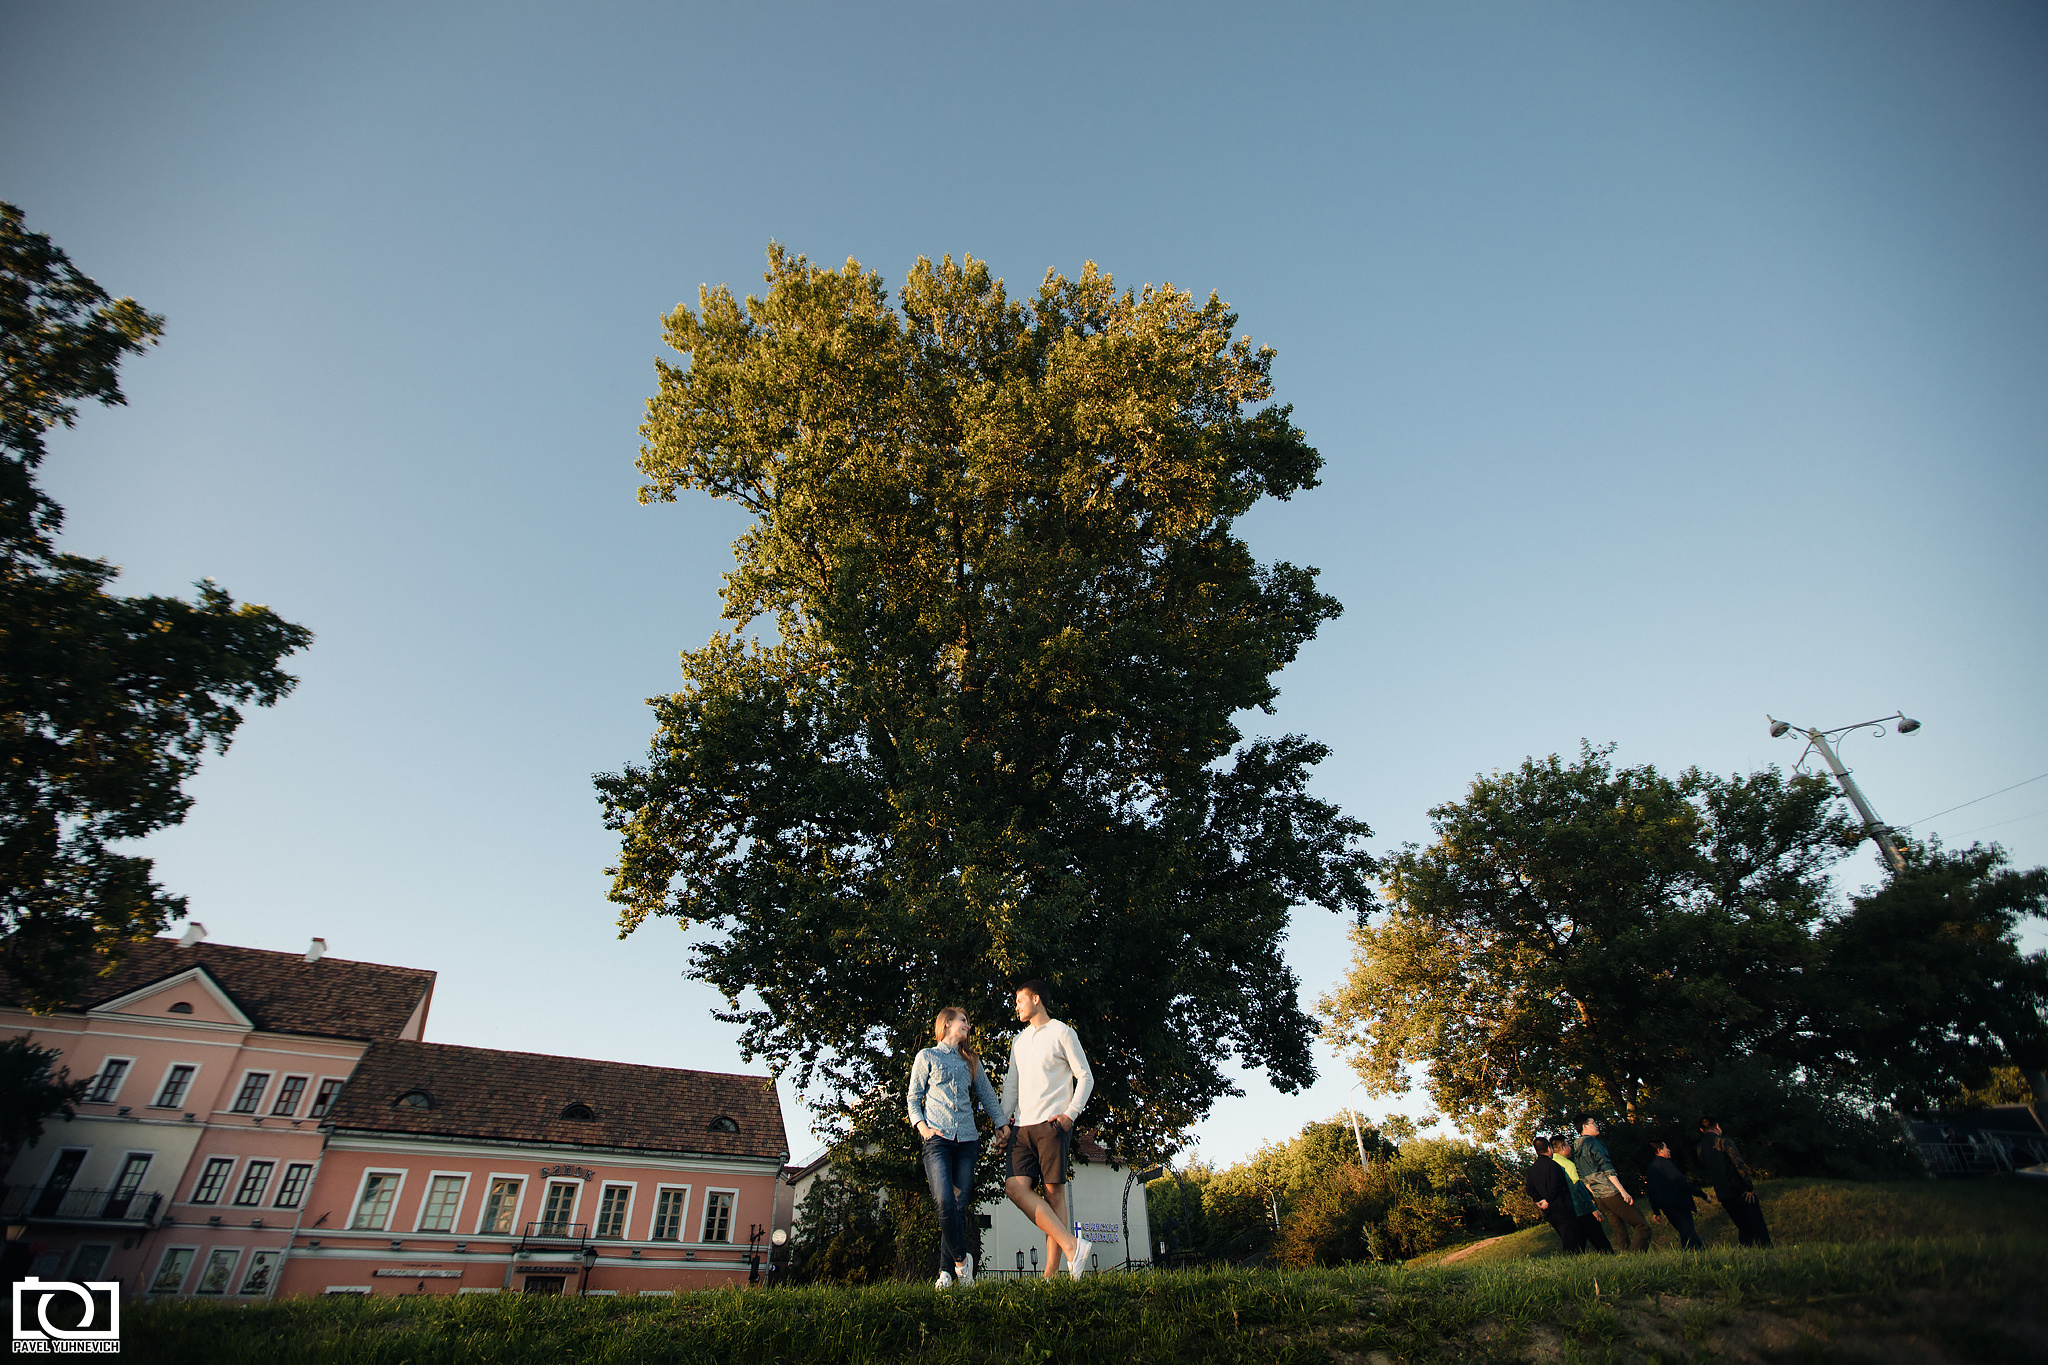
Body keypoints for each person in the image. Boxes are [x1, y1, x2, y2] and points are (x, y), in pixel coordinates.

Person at [908, 1005, 1012, 1288]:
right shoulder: (926, 1056)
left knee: (958, 1207)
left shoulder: (971, 1061)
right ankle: (962, 1263)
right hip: (937, 1141)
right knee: (944, 1201)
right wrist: (923, 1129)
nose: (968, 1025)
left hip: (967, 1141)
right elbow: (913, 1098)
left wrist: (1001, 1124)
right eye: (963, 1020)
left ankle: (945, 1272)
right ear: (947, 1024)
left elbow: (988, 1096)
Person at [1000, 979, 1095, 1279]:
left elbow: (1085, 1076)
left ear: (1036, 999)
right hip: (1021, 1128)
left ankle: (1050, 1275)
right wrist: (1002, 1123)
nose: (1016, 1007)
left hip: (1052, 1125)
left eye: (1019, 1001)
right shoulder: (1018, 1041)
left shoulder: (1062, 1032)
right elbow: (1011, 1086)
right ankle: (1072, 1245)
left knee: (1054, 1195)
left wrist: (1070, 1115)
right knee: (1014, 1188)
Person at [1572, 1115, 1652, 1252]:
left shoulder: (1576, 1146)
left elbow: (1582, 1175)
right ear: (1585, 1126)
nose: (1596, 1125)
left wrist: (1593, 1192)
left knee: (1618, 1227)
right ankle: (1635, 1255)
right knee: (1642, 1225)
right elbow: (1606, 1168)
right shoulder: (1593, 1143)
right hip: (1610, 1191)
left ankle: (1624, 1255)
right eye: (1593, 1123)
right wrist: (1622, 1191)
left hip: (1599, 1196)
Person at [1697, 1116, 1773, 1248]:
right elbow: (1738, 1164)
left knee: (1742, 1225)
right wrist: (1748, 1187)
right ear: (1717, 1126)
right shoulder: (1724, 1142)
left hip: (1722, 1192)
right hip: (1738, 1189)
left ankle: (1746, 1248)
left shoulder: (1700, 1148)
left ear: (1701, 1130)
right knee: (1756, 1223)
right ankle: (1765, 1248)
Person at [1550, 1132, 1613, 1253]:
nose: (1570, 1148)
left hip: (1566, 1211)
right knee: (1600, 1241)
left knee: (1578, 1245)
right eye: (1568, 1145)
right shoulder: (1568, 1165)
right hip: (1581, 1209)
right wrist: (1592, 1208)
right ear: (1562, 1148)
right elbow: (1577, 1187)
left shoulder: (1552, 1164)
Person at [1644, 1139, 1709, 1250]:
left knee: (1687, 1232)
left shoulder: (1651, 1169)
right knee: (1688, 1234)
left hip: (1667, 1208)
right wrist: (1703, 1195)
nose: (1669, 1150)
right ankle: (1691, 1255)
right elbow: (1681, 1182)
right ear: (1659, 1150)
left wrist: (1656, 1211)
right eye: (1666, 1148)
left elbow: (1651, 1191)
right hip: (1679, 1204)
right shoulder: (1666, 1164)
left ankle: (1702, 1252)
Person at [1525, 1137, 1581, 1254]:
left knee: (1564, 1237)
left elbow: (1529, 1189)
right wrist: (1548, 1200)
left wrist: (1539, 1200)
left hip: (1549, 1211)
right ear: (1549, 1149)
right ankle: (1573, 1259)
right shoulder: (1553, 1165)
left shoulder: (1532, 1169)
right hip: (1563, 1207)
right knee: (1570, 1240)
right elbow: (1556, 1186)